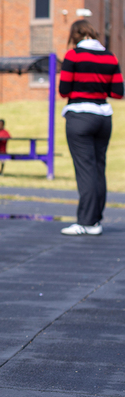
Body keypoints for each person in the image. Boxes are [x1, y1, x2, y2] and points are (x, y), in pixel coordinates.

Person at [58, 20, 122, 236]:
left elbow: (64, 89)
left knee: (85, 170)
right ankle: (95, 221)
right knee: (98, 169)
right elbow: (118, 92)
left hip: (80, 117)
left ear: (75, 35)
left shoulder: (73, 56)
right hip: (103, 118)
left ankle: (85, 222)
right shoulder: (110, 56)